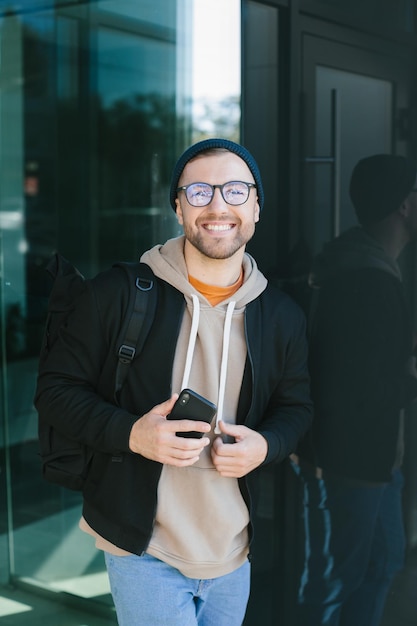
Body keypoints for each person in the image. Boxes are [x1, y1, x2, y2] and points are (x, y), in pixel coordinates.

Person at [35, 138, 313, 626]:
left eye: (235, 190)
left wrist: (266, 445)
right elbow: (54, 391)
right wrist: (132, 433)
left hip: (235, 549)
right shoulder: (119, 295)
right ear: (179, 208)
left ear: (256, 207)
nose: (218, 205)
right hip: (145, 548)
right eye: (199, 191)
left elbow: (297, 408)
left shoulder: (281, 315)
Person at [292, 154, 417, 626]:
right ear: (404, 206)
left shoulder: (370, 268)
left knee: (380, 564)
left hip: (375, 460)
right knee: (335, 582)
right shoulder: (365, 281)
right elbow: (358, 387)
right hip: (347, 461)